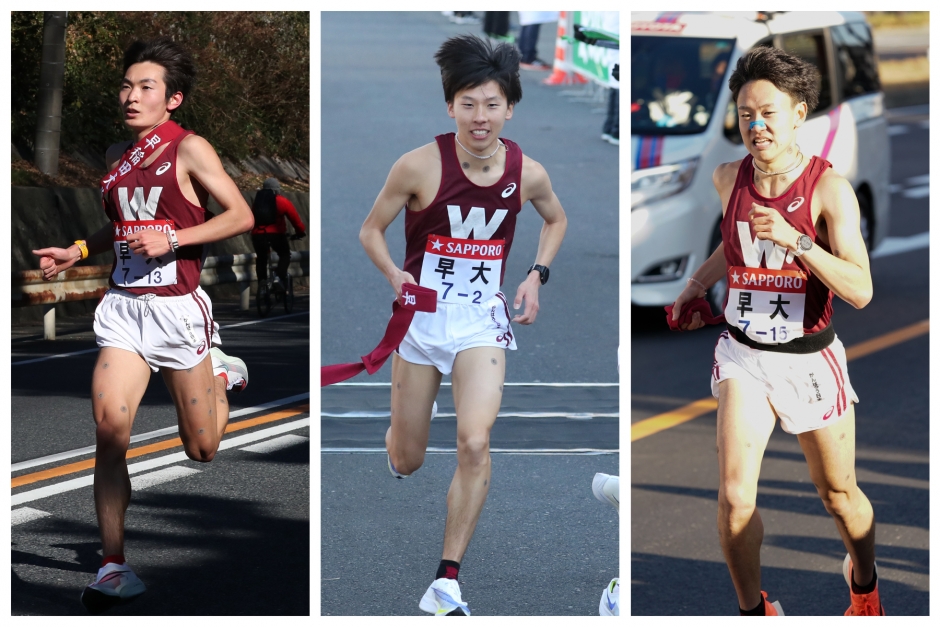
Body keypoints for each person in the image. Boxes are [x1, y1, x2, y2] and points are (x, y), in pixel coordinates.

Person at [32, 37, 254, 614]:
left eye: (146, 87)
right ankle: (113, 567)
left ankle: (221, 375)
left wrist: (175, 237)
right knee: (110, 430)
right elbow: (123, 226)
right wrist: (79, 247)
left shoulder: (190, 150)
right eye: (127, 86)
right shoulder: (116, 156)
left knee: (201, 450)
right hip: (125, 308)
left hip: (178, 312)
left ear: (172, 98)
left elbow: (240, 214)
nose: (132, 96)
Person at [669, 46, 883, 616]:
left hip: (810, 359)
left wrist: (797, 240)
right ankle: (753, 610)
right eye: (744, 114)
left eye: (768, 113)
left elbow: (860, 289)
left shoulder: (827, 189)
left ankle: (864, 585)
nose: (755, 125)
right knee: (735, 499)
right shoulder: (726, 177)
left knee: (838, 496)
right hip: (744, 356)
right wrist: (697, 282)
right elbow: (735, 244)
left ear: (799, 114)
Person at [358, 34, 567, 615]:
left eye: (492, 104)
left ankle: (447, 578)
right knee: (408, 459)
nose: (481, 116)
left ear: (510, 109)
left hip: (482, 323)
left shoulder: (527, 171)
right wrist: (395, 275)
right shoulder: (419, 165)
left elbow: (556, 219)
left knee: (475, 439)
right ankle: (398, 435)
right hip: (421, 323)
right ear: (450, 105)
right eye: (469, 103)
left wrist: (534, 276)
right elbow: (370, 229)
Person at [250, 177, 306, 294]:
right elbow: (295, 219)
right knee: (285, 254)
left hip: (258, 236)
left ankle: (262, 284)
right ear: (277, 189)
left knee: (261, 258)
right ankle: (279, 277)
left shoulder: (258, 202)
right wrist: (300, 232)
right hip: (276, 235)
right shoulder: (282, 201)